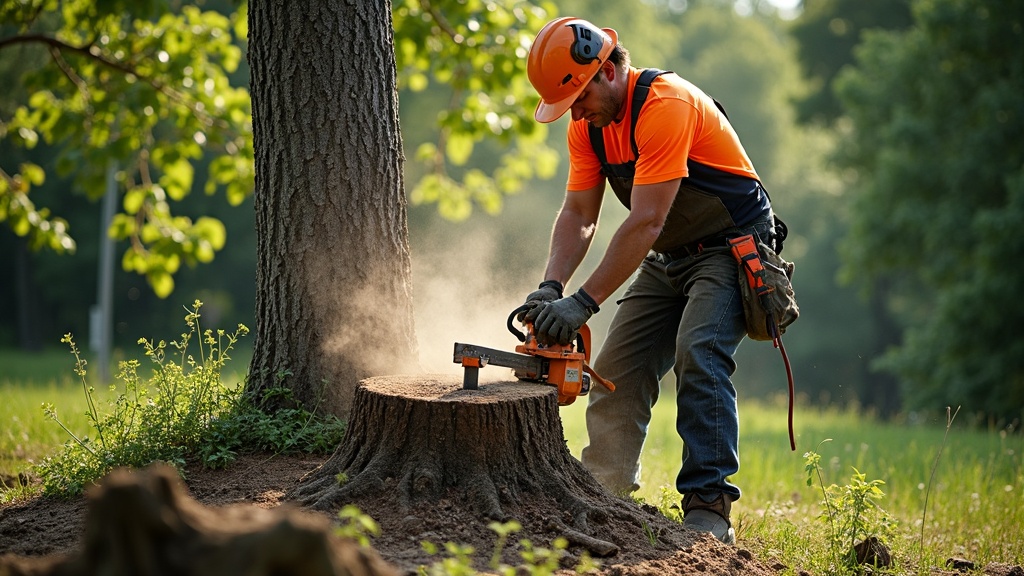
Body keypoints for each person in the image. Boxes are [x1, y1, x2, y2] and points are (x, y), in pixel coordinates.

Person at [518, 16, 786, 545]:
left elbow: (645, 220)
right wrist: (552, 287)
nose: (575, 112)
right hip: (666, 254)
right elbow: (578, 214)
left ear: (607, 72)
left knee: (699, 349)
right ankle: (606, 496)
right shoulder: (587, 127)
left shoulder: (667, 105)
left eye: (578, 97)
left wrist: (584, 303)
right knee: (618, 367)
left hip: (731, 248)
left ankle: (709, 508)